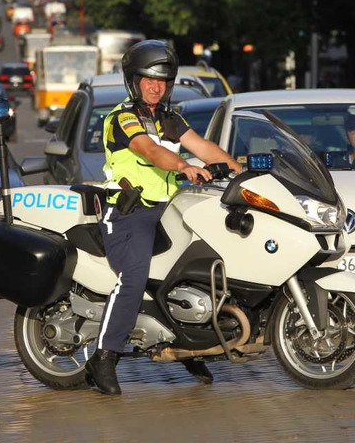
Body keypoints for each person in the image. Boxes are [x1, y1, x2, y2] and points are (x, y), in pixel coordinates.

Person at [85, 40, 242, 396]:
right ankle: (104, 356)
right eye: (149, 80)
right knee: (135, 275)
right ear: (133, 81)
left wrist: (241, 172)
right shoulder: (122, 118)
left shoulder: (170, 119)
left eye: (163, 81)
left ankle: (191, 342)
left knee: (205, 262)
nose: (156, 87)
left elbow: (203, 146)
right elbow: (151, 151)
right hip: (128, 212)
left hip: (169, 210)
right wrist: (185, 166)